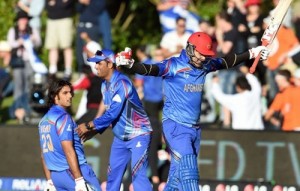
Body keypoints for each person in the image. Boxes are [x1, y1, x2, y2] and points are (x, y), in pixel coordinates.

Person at [116, 32, 269, 190]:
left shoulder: (205, 65)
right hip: (175, 126)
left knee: (175, 179)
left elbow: (226, 61)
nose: (203, 58)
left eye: (206, 55)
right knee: (189, 170)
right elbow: (151, 69)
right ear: (190, 48)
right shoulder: (173, 65)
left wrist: (252, 53)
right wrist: (132, 65)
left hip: (194, 130)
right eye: (201, 54)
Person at [75, 49, 153, 191]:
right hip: (120, 136)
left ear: (110, 64)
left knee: (138, 175)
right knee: (113, 177)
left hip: (139, 134)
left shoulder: (122, 83)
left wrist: (89, 125)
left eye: (99, 63)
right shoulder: (104, 85)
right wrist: (94, 130)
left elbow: (111, 114)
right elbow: (112, 115)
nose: (96, 66)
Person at [39, 79, 101, 191]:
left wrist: (49, 181)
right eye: (65, 93)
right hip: (73, 172)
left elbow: (43, 154)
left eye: (70, 92)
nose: (70, 95)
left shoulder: (43, 121)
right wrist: (79, 180)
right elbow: (68, 150)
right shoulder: (63, 118)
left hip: (56, 176)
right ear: (55, 97)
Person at [211, 66, 264, 130]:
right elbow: (256, 84)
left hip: (240, 135)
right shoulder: (255, 94)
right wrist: (247, 74)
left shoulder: (235, 100)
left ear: (237, 87)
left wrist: (215, 83)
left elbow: (219, 96)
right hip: (258, 133)